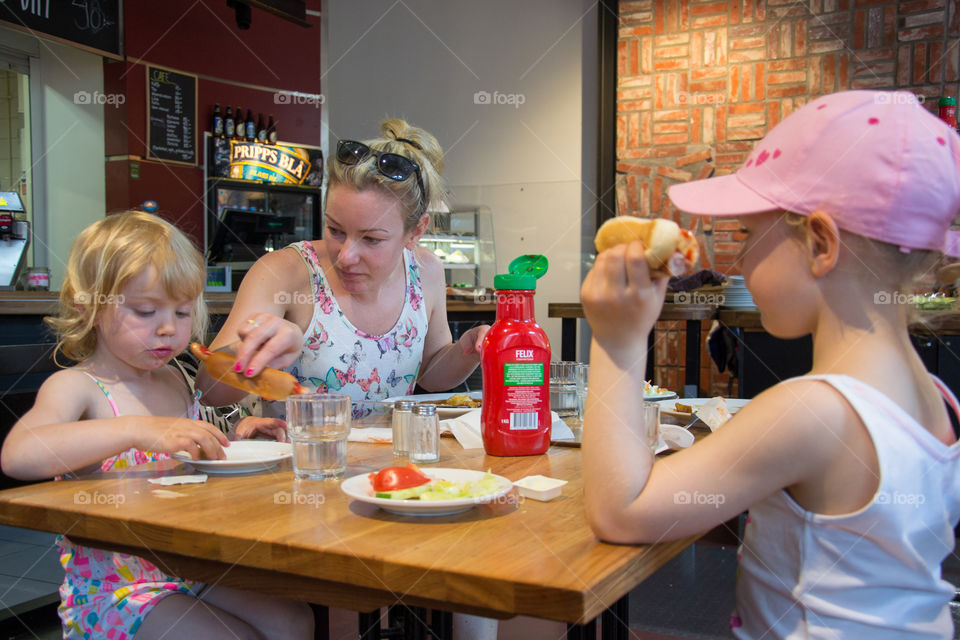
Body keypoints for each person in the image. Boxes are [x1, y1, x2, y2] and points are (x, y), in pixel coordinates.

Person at [580, 90, 960, 639]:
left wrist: (616, 345)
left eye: (750, 235)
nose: (739, 260)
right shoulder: (935, 398)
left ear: (821, 244)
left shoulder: (814, 411)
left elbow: (621, 513)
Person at [0, 211, 313, 639]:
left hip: (186, 567)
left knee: (294, 621)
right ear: (90, 307)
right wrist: (135, 429)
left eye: (183, 313)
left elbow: (187, 457)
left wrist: (239, 433)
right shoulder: (78, 387)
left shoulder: (174, 379)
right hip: (116, 592)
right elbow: (19, 453)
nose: (168, 328)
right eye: (146, 311)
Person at [196, 118, 488, 416]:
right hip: (294, 459)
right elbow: (208, 392)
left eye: (372, 239)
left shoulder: (426, 271)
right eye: (335, 230)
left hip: (389, 459)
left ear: (416, 232)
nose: (346, 256)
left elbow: (430, 374)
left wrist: (467, 350)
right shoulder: (283, 272)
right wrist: (255, 353)